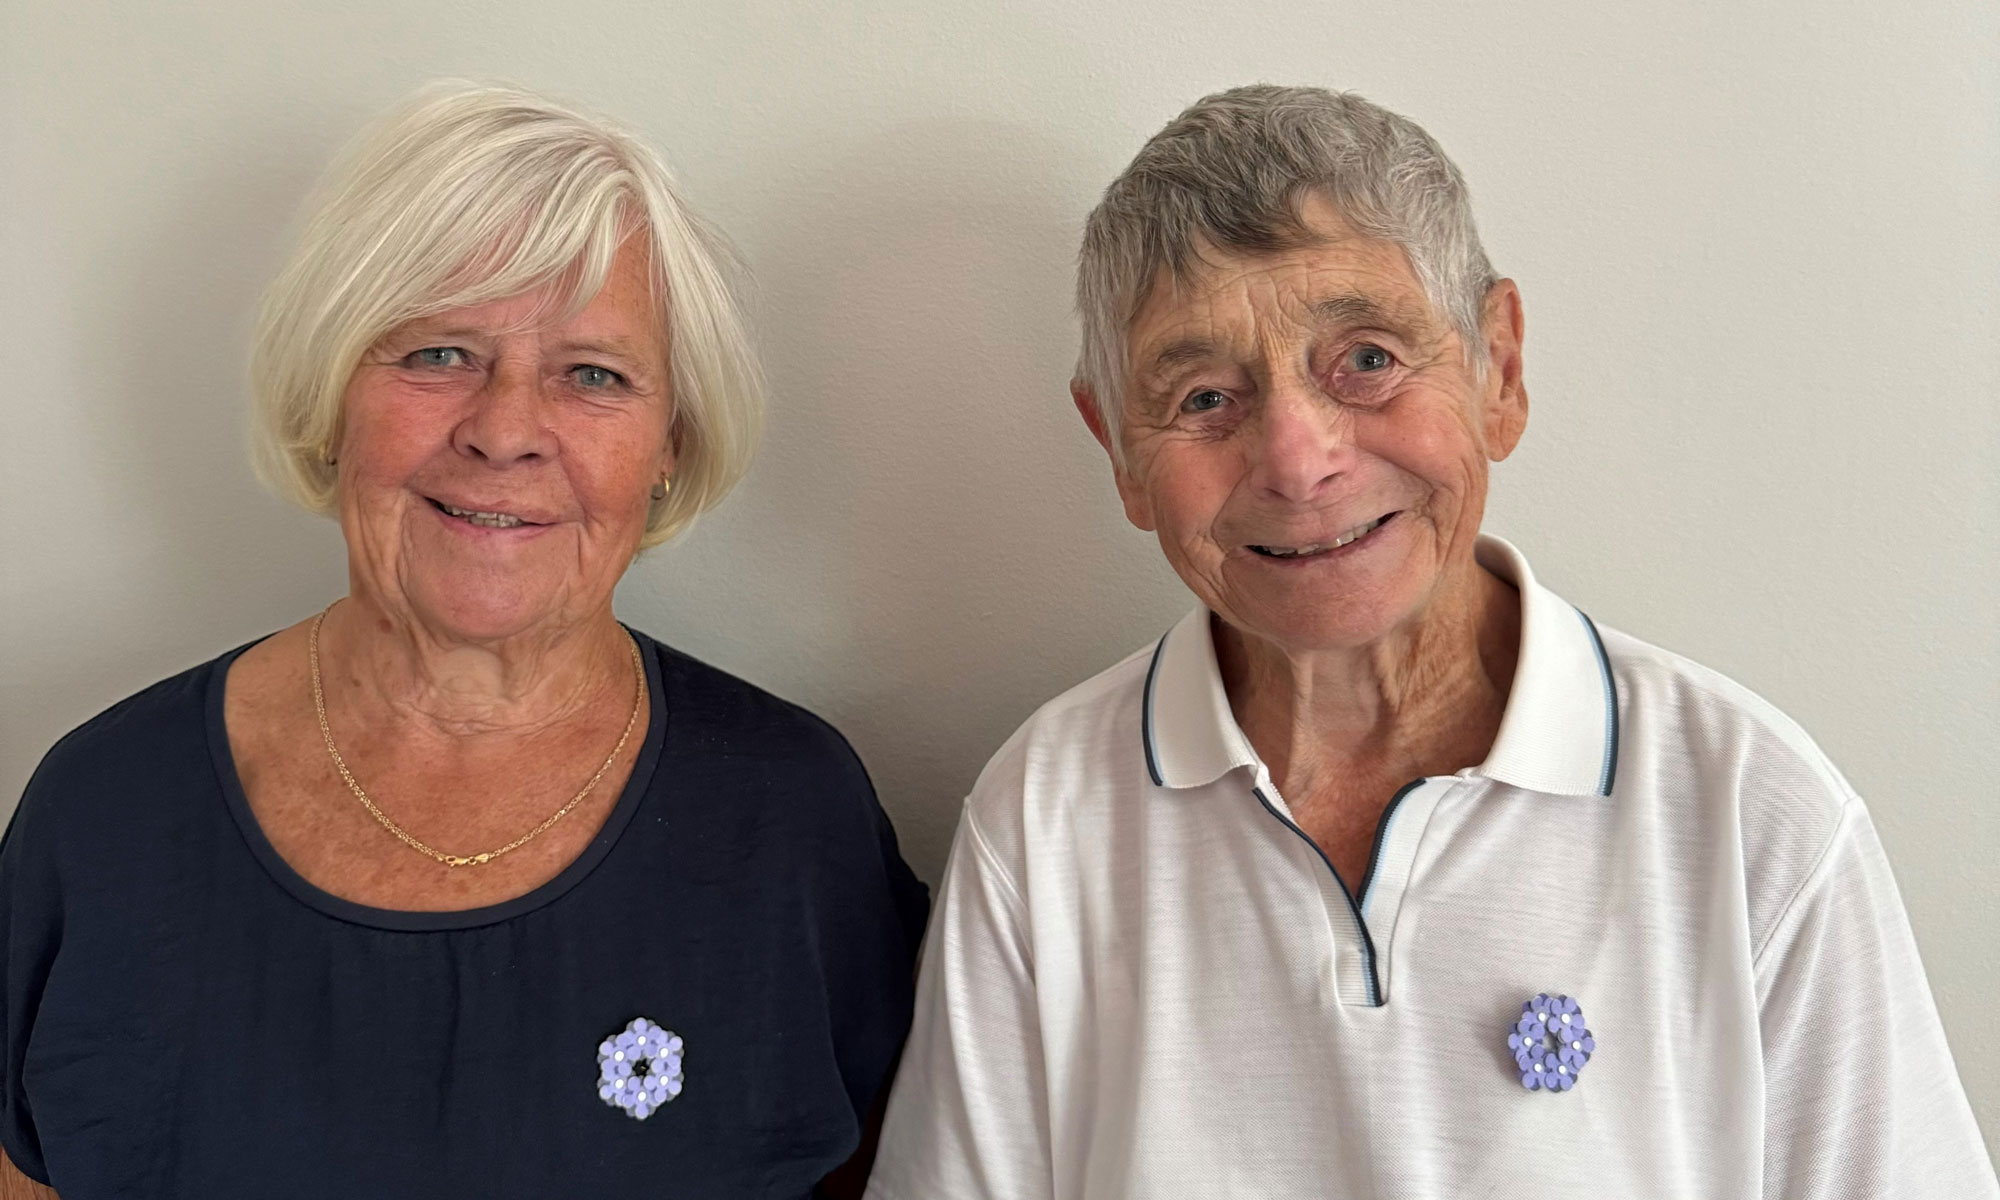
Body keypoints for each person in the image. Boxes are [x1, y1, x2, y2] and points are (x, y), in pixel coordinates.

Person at [865, 84, 1997, 1198]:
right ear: (1115, 447)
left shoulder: (1747, 813)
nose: (1297, 461)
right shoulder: (1042, 815)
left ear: (1498, 368)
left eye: (1364, 359)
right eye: (1204, 396)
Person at [0, 81, 926, 1199]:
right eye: (437, 353)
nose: (501, 430)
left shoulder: (792, 820)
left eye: (593, 374)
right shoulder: (103, 812)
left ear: (669, 442)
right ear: (331, 389)